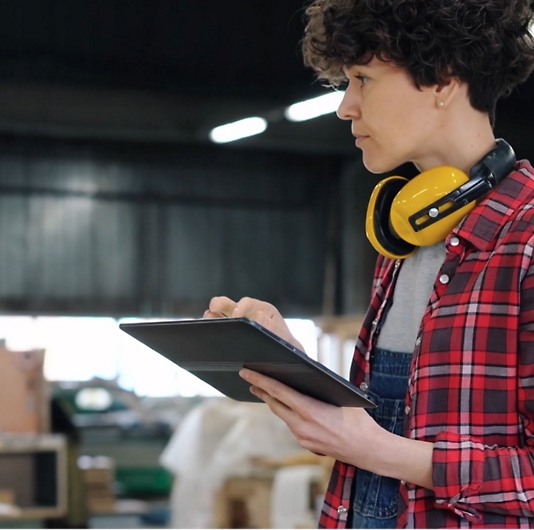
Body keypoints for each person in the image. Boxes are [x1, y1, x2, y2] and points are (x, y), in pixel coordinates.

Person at [204, 0, 534, 527]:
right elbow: (392, 422)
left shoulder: (526, 239)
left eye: (362, 79)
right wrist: (294, 367)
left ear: (443, 79)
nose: (345, 107)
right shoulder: (402, 238)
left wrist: (382, 452)